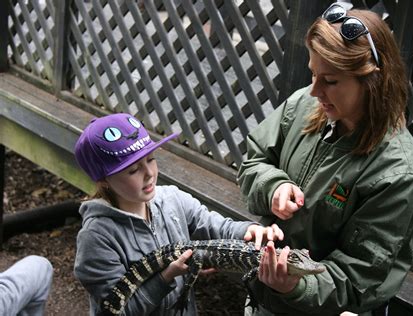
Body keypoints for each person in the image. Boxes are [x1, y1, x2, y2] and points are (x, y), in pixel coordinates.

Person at [237, 3, 413, 316]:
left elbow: (358, 277)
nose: (314, 91)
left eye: (329, 81)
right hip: (262, 295)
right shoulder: (303, 105)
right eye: (313, 74)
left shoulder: (400, 175)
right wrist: (272, 186)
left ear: (373, 81)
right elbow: (253, 160)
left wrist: (296, 286)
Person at [73, 113, 283, 315]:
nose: (149, 173)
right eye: (133, 170)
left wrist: (249, 230)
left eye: (151, 159)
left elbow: (214, 226)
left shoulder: (173, 199)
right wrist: (166, 277)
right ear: (103, 180)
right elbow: (118, 311)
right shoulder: (96, 237)